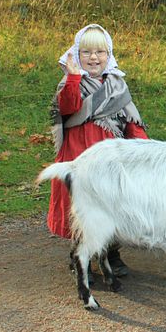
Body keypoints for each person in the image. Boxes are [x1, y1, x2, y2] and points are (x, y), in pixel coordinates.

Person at [48, 23, 148, 274]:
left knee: (112, 203)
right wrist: (72, 77)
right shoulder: (71, 83)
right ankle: (79, 253)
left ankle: (111, 253)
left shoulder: (117, 86)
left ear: (109, 55)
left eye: (100, 52)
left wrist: (145, 149)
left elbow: (130, 121)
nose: (94, 58)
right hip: (78, 155)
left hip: (111, 157)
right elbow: (68, 107)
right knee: (83, 206)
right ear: (76, 55)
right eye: (87, 52)